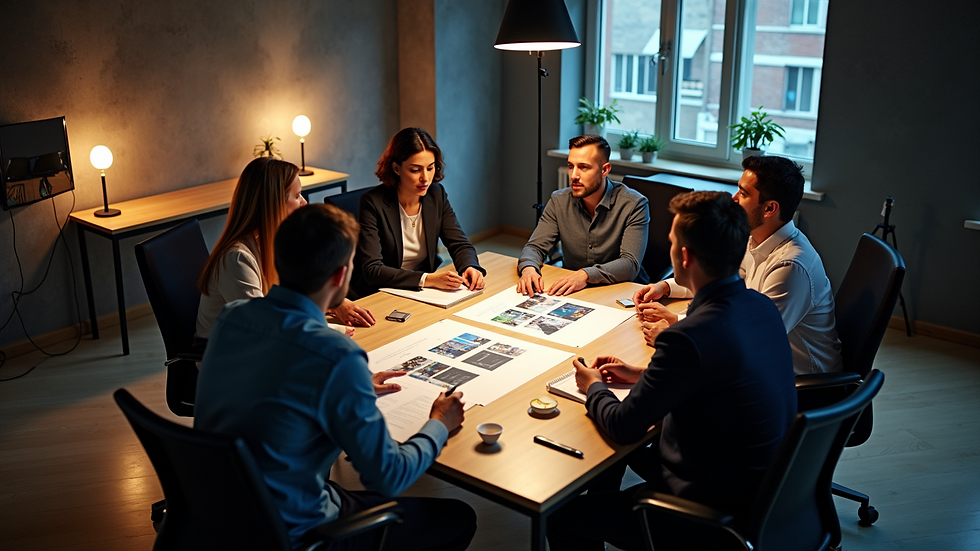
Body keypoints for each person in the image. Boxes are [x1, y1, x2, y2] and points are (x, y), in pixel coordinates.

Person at [195, 203, 477, 551]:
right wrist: (438, 423)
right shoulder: (335, 355)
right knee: (458, 518)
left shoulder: (232, 318)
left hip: (218, 511)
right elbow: (387, 477)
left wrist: (353, 385)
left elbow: (277, 380)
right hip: (293, 531)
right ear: (340, 276)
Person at [546, 191, 797, 551]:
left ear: (683, 256)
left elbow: (623, 425)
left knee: (562, 517)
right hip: (759, 487)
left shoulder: (689, 336)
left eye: (671, 242)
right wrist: (642, 376)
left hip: (704, 509)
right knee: (613, 464)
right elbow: (715, 378)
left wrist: (594, 387)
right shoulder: (759, 306)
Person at [633, 155, 843, 375]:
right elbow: (717, 278)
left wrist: (676, 328)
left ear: (770, 208)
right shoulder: (754, 238)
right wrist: (664, 288)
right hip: (760, 369)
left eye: (743, 194)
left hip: (797, 385)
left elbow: (751, 340)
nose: (734, 198)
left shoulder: (791, 267)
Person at [196, 157, 375, 347]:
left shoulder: (274, 241)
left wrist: (336, 304)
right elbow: (266, 325)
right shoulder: (237, 258)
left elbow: (298, 293)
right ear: (273, 203)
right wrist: (331, 331)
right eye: (297, 196)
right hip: (232, 359)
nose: (304, 203)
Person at [351, 127, 485, 299]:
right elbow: (373, 269)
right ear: (396, 168)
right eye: (415, 170)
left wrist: (469, 267)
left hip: (423, 291)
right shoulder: (372, 202)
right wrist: (427, 279)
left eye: (430, 168)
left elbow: (459, 243)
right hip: (381, 291)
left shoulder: (437, 194)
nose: (426, 178)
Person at [517, 135, 650, 296]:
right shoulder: (559, 201)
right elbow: (535, 247)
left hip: (622, 292)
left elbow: (630, 264)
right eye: (570, 166)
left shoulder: (634, 204)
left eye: (583, 167)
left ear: (605, 170)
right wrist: (529, 268)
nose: (574, 175)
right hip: (575, 292)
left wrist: (586, 275)